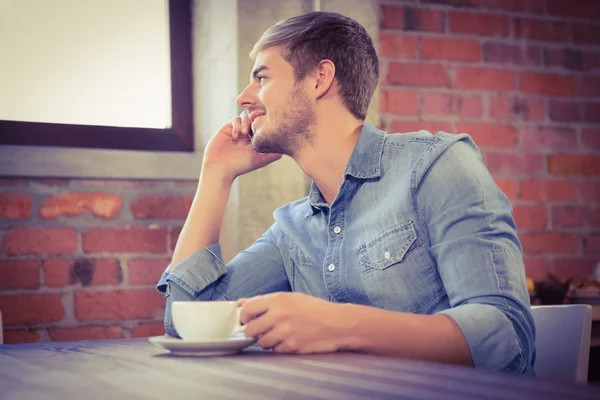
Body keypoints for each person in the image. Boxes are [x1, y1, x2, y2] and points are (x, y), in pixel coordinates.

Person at [156, 11, 535, 374]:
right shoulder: (292, 231)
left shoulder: (437, 166)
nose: (244, 98)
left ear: (320, 78)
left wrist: (340, 326)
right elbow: (186, 320)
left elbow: (507, 335)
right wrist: (215, 174)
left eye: (262, 78)